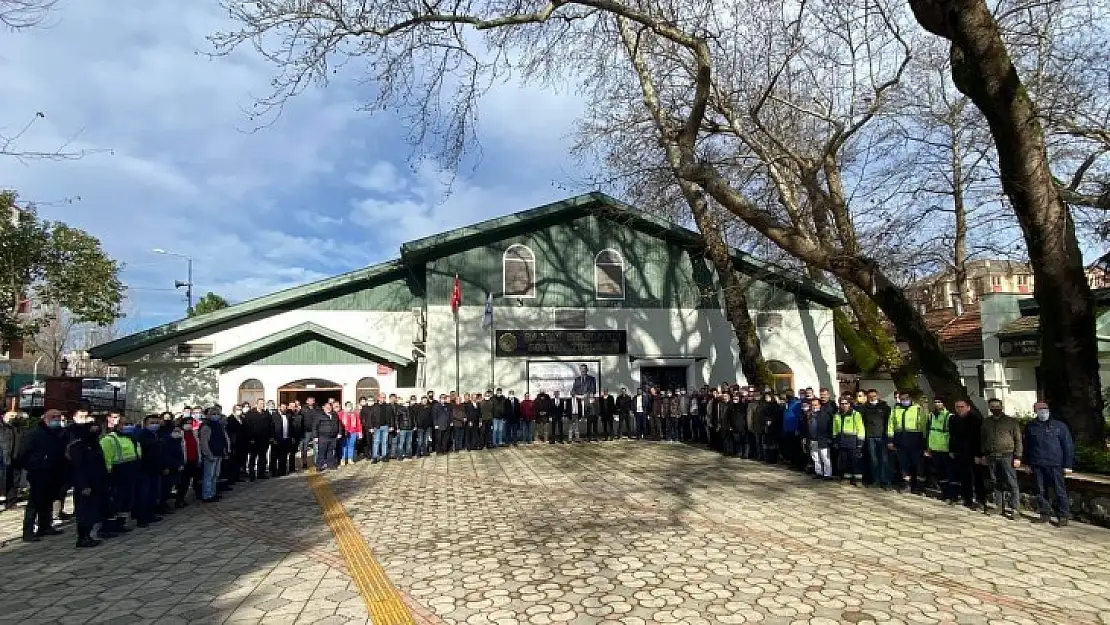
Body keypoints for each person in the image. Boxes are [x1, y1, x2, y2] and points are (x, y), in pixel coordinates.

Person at [17, 409, 67, 542]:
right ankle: (28, 531)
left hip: (53, 471)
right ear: (46, 418)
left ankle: (44, 526)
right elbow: (23, 452)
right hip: (38, 472)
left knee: (48, 500)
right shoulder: (35, 433)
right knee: (34, 502)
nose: (56, 419)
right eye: (53, 417)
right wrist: (33, 465)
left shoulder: (58, 433)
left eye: (58, 417)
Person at [1023, 401, 1074, 526]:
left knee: (1059, 491)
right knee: (1040, 491)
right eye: (1039, 409)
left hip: (1055, 464)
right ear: (1035, 411)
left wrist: (1068, 465)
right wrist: (1027, 464)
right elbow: (1027, 446)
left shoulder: (1059, 426)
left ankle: (1063, 516)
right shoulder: (1030, 426)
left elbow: (1068, 446)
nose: (1042, 411)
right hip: (1037, 464)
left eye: (1044, 409)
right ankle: (1044, 514)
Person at [67, 412, 109, 548]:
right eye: (92, 427)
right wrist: (83, 485)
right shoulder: (78, 446)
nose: (95, 430)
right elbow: (78, 467)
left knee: (93, 511)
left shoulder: (95, 444)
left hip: (97, 482)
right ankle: (83, 537)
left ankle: (89, 535)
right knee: (84, 512)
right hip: (86, 485)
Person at [980, 398, 1023, 519]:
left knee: (1011, 482)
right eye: (992, 407)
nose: (995, 408)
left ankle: (1015, 509)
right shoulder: (986, 422)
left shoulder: (1011, 421)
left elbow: (1018, 439)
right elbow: (983, 438)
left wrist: (1018, 456)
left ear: (1001, 407)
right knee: (995, 481)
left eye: (997, 406)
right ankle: (999, 506)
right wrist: (983, 454)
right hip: (991, 456)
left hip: (1007, 456)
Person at [100, 418, 139, 531]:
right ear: (117, 425)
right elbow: (105, 458)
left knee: (125, 500)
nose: (128, 426)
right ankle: (107, 527)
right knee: (114, 501)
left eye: (130, 423)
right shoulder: (109, 439)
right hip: (115, 474)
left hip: (129, 473)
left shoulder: (131, 438)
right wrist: (108, 474)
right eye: (125, 424)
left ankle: (120, 524)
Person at [886, 391, 927, 494]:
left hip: (915, 441)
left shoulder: (918, 409)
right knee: (903, 464)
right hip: (900, 441)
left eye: (906, 398)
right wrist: (890, 440)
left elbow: (924, 425)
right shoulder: (895, 410)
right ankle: (906, 485)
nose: (904, 401)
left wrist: (925, 441)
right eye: (902, 399)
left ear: (910, 398)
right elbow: (891, 425)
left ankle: (919, 487)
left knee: (918, 465)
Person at [134, 415, 166, 527]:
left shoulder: (156, 435)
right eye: (152, 422)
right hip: (144, 469)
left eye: (157, 422)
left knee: (153, 492)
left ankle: (150, 514)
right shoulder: (143, 435)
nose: (155, 425)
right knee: (144, 494)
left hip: (155, 468)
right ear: (146, 424)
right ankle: (141, 517)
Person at [925, 398, 956, 503]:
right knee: (940, 472)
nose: (937, 404)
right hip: (934, 448)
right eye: (936, 402)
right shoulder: (931, 416)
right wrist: (928, 447)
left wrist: (952, 449)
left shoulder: (949, 416)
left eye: (940, 402)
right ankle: (944, 493)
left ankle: (952, 495)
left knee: (949, 472)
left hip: (946, 449)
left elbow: (953, 435)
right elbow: (928, 432)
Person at [859, 389, 891, 488]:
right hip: (870, 437)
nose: (872, 398)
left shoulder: (885, 407)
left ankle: (885, 481)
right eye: (870, 396)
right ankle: (875, 480)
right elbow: (862, 423)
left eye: (874, 396)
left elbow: (888, 423)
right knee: (873, 460)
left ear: (878, 396)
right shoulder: (864, 408)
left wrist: (888, 437)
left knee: (884, 460)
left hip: (882, 437)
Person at [832, 397, 865, 486]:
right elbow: (835, 429)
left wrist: (860, 443)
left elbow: (860, 429)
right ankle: (847, 477)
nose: (844, 405)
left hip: (853, 441)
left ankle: (858, 479)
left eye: (846, 403)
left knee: (855, 461)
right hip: (842, 441)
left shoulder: (855, 414)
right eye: (842, 404)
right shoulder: (837, 415)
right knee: (844, 461)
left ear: (849, 404)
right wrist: (835, 440)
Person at [198, 408, 229, 503]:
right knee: (208, 476)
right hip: (211, 455)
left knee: (215, 475)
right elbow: (204, 443)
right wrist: (208, 454)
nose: (215, 415)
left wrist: (224, 451)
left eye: (217, 414)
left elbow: (222, 440)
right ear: (208, 415)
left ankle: (213, 493)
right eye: (213, 414)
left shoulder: (219, 426)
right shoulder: (206, 427)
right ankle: (207, 495)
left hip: (218, 454)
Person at [804, 397, 832, 479]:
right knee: (815, 457)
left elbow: (829, 427)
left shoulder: (824, 414)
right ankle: (818, 472)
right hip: (812, 439)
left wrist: (829, 438)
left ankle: (827, 474)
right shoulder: (809, 415)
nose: (814, 407)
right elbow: (807, 427)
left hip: (823, 439)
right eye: (812, 405)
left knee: (825, 457)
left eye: (816, 405)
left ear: (819, 405)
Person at [243, 400, 271, 481]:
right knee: (252, 458)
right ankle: (252, 475)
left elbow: (270, 426)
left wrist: (270, 437)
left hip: (264, 440)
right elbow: (247, 427)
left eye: (263, 404)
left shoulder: (266, 414)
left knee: (262, 458)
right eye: (261, 404)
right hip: (254, 440)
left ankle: (261, 474)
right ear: (256, 404)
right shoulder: (250, 414)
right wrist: (250, 438)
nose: (262, 405)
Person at [177, 417, 202, 507]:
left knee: (196, 479)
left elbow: (197, 446)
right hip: (185, 461)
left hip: (194, 459)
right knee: (184, 482)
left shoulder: (194, 433)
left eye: (191, 423)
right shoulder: (180, 434)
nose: (189, 425)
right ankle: (180, 499)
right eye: (187, 423)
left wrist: (199, 459)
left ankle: (197, 494)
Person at [0, 410, 20, 510]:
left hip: (15, 458)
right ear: (4, 416)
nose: (13, 418)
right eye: (11, 416)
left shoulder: (17, 428)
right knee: (3, 480)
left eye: (15, 416)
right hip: (3, 458)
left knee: (14, 481)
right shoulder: (2, 427)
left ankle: (11, 502)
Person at [314, 403, 343, 469]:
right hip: (323, 437)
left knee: (330, 451)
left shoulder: (335, 415)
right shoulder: (319, 415)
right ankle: (319, 466)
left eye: (329, 407)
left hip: (333, 437)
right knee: (322, 452)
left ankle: (330, 465)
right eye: (327, 407)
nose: (328, 408)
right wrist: (315, 437)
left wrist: (339, 433)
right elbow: (315, 426)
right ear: (323, 407)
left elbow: (339, 425)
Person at [337, 401, 362, 466]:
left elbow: (359, 424)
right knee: (344, 446)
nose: (349, 407)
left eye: (350, 406)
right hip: (344, 432)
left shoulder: (355, 414)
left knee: (351, 445)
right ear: (345, 407)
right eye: (348, 406)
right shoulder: (341, 414)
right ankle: (343, 459)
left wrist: (359, 432)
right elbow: (338, 424)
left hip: (353, 432)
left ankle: (350, 458)